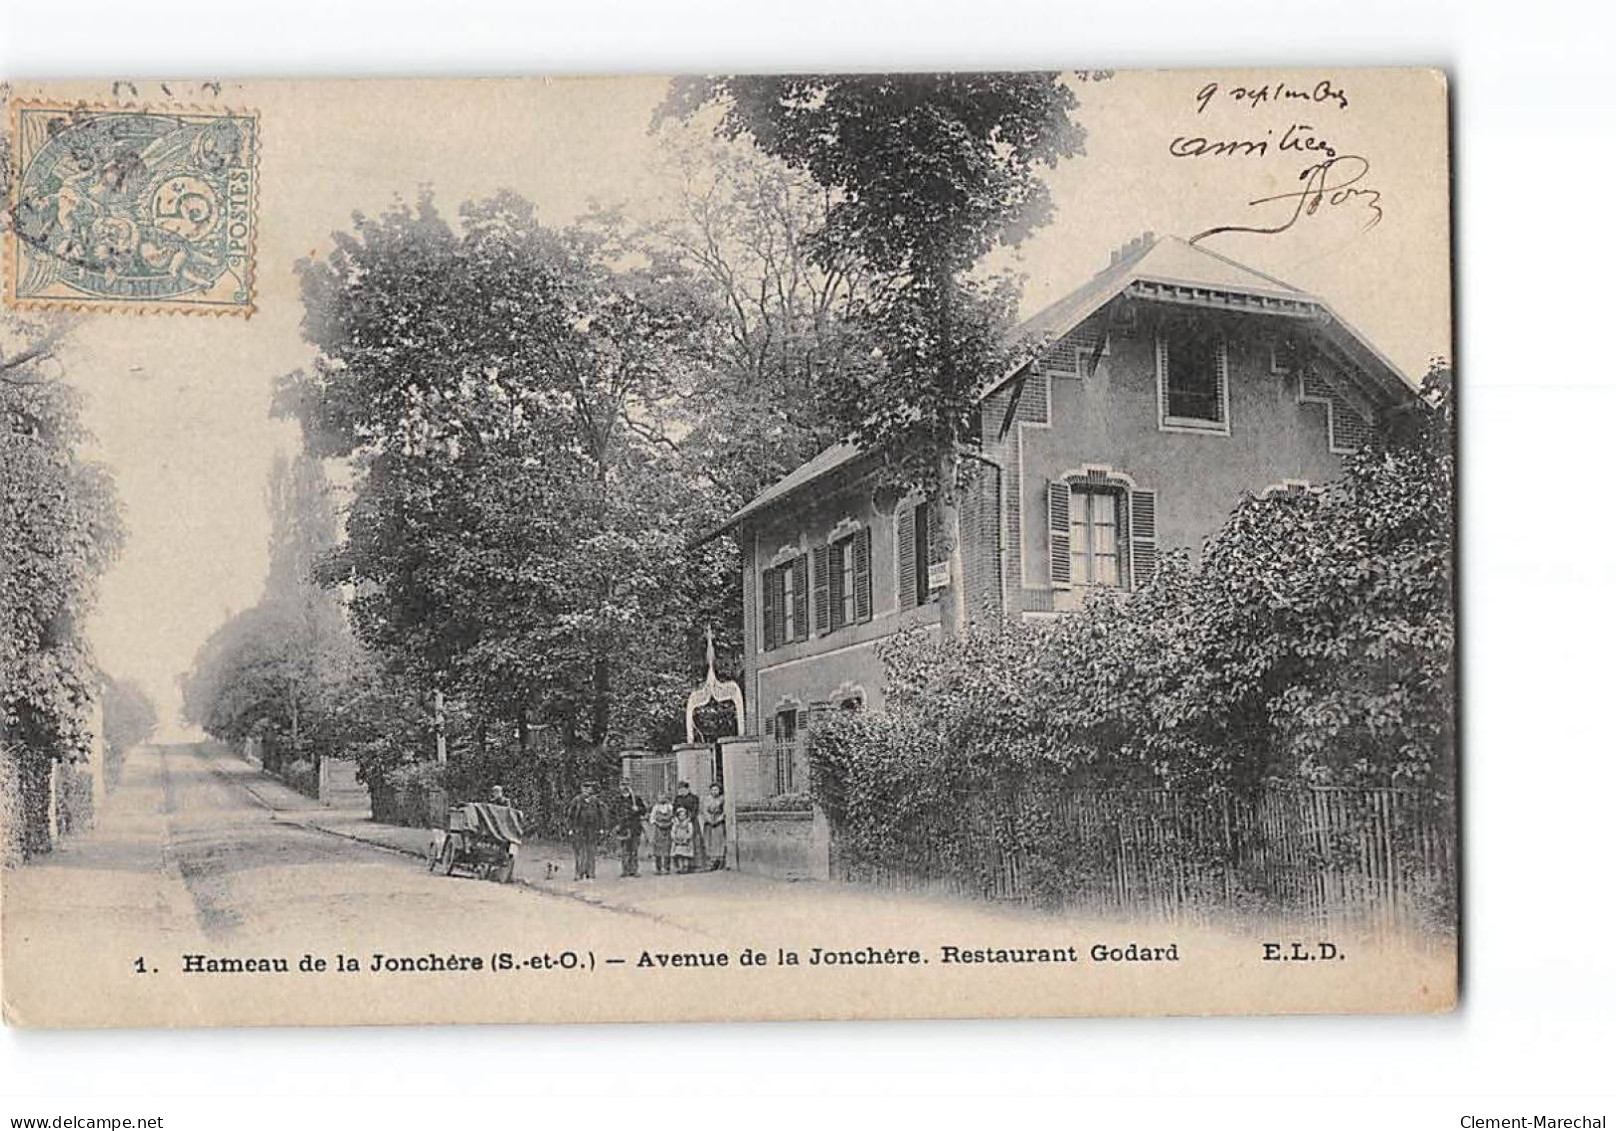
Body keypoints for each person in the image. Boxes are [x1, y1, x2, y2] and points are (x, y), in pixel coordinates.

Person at [565, 781, 609, 881]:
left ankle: (590, 872)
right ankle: (579, 873)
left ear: (592, 790)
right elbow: (570, 815)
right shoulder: (576, 800)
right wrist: (570, 828)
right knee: (580, 851)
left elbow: (602, 814)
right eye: (584, 788)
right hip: (579, 829)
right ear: (581, 789)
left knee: (591, 851)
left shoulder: (595, 801)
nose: (586, 790)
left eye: (589, 788)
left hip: (592, 830)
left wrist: (602, 828)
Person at [614, 781, 648, 878]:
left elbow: (644, 810)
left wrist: (638, 809)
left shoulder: (636, 799)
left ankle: (634, 870)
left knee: (634, 850)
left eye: (626, 786)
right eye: (622, 786)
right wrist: (616, 824)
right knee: (625, 850)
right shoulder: (618, 800)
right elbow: (613, 813)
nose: (624, 788)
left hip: (634, 828)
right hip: (623, 828)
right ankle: (625, 870)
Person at [673, 780, 704, 868]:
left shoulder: (694, 798)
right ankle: (681, 864)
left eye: (683, 789)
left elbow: (695, 810)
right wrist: (676, 819)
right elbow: (674, 809)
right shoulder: (678, 799)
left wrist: (688, 819)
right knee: (681, 842)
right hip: (679, 824)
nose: (682, 792)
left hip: (691, 822)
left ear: (688, 789)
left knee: (694, 841)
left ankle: (696, 863)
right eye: (680, 790)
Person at [702, 782, 727, 870]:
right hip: (709, 823)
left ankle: (719, 860)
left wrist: (719, 819)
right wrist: (710, 820)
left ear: (719, 790)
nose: (714, 792)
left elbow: (725, 811)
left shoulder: (722, 799)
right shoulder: (707, 799)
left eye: (716, 790)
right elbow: (704, 810)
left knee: (719, 841)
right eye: (712, 790)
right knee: (709, 841)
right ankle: (711, 861)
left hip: (718, 822)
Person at [648, 793, 675, 875]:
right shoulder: (655, 807)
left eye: (663, 798)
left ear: (666, 798)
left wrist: (670, 823)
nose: (661, 799)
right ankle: (658, 868)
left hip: (668, 829)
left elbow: (674, 817)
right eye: (660, 798)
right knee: (657, 850)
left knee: (667, 849)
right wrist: (657, 823)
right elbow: (651, 818)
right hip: (658, 829)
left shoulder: (670, 807)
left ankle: (667, 868)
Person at [670, 806, 696, 874]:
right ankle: (680, 867)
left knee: (685, 856)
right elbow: (673, 832)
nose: (682, 817)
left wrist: (687, 838)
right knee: (679, 855)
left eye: (684, 815)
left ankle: (686, 867)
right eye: (680, 815)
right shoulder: (676, 824)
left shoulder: (688, 824)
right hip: (678, 841)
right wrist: (675, 838)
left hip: (686, 842)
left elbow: (690, 832)